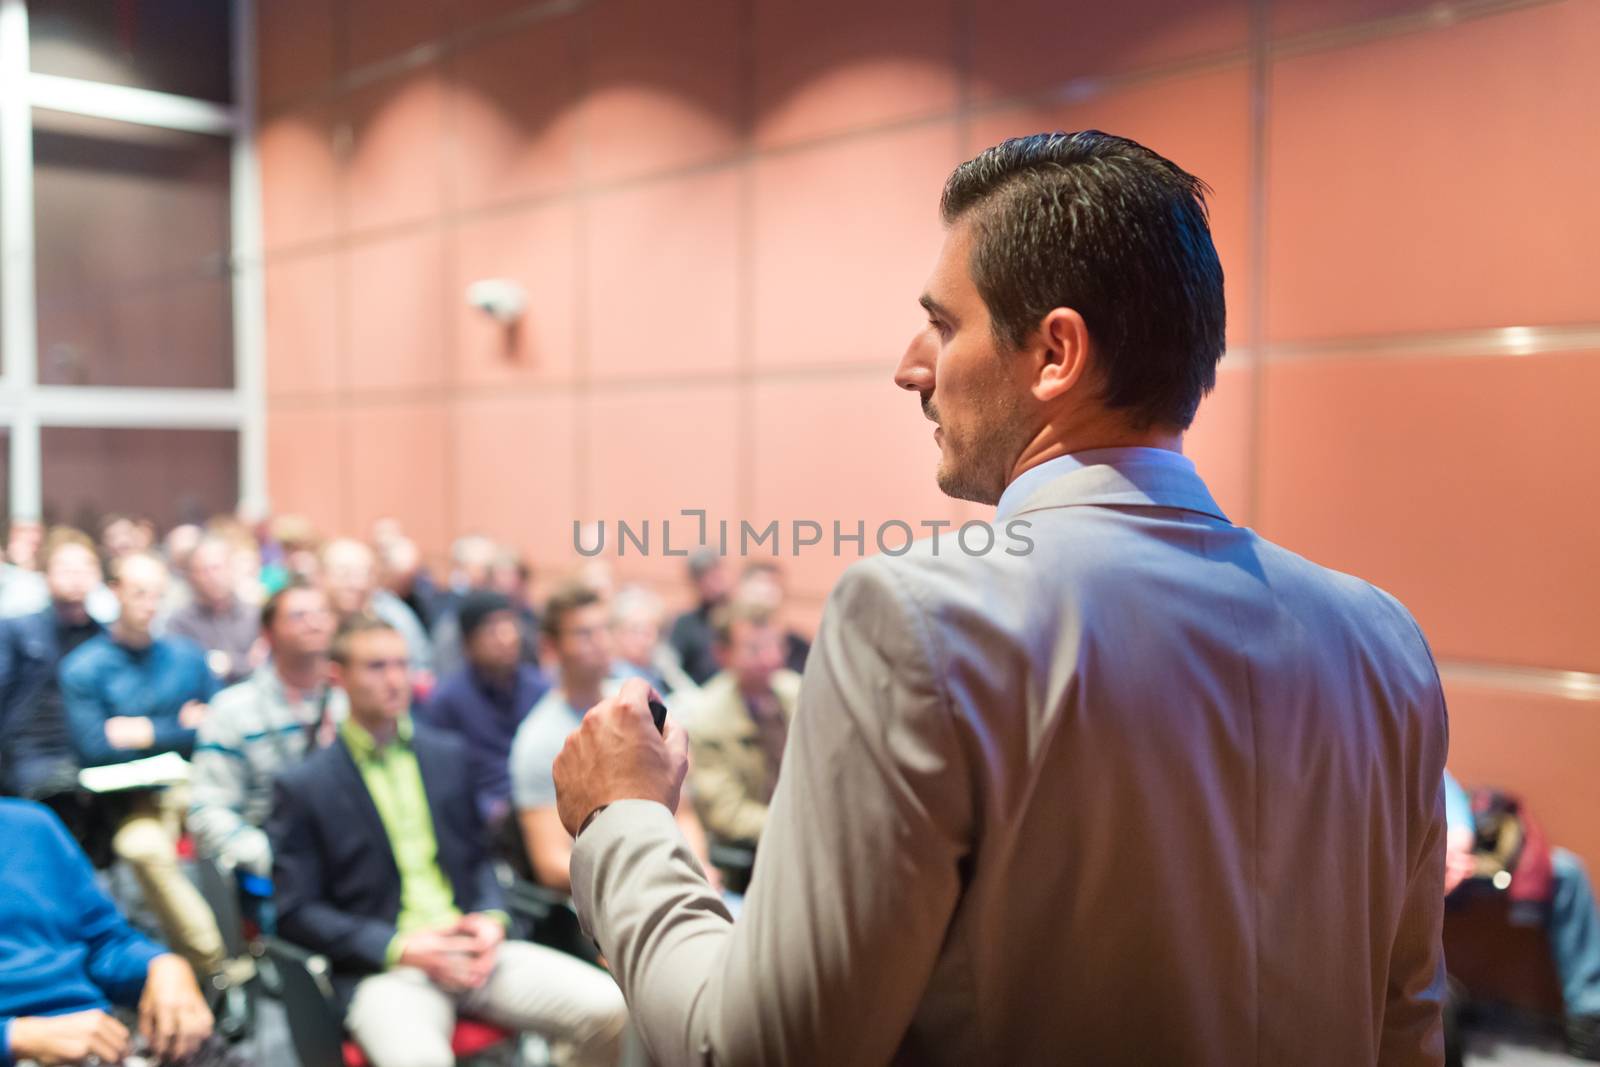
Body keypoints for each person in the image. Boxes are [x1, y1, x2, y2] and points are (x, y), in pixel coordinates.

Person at [552, 131, 1450, 1065]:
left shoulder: (917, 620)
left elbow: (752, 1052)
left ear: (1056, 351)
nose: (912, 367)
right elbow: (1407, 1028)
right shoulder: (1386, 641)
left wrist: (623, 820)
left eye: (942, 324)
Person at [268, 614, 627, 1067]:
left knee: (614, 1010)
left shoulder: (446, 755)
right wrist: (402, 947)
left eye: (402, 664)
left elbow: (480, 861)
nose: (395, 679)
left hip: (474, 948)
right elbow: (296, 912)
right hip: (389, 969)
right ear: (337, 676)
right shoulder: (305, 784)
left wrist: (492, 918)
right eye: (376, 667)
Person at [61, 552, 228, 977]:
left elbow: (217, 728)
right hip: (136, 799)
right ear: (114, 592)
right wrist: (180, 727)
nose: (149, 603)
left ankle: (237, 954)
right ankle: (214, 964)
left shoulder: (187, 657)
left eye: (157, 594)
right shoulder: (86, 667)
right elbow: (95, 749)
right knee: (142, 848)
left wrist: (147, 733)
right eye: (139, 593)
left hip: (202, 786)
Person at [511, 583, 712, 895]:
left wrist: (698, 867)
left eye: (605, 629)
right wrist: (645, 879)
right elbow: (551, 863)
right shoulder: (538, 739)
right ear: (550, 648)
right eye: (584, 634)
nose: (601, 642)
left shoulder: (638, 704)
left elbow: (683, 812)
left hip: (672, 880)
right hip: (612, 898)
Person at [0, 797, 214, 1066]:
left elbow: (104, 944)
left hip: (99, 1043)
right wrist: (12, 1037)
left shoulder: (32, 824)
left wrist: (162, 966)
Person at [187, 579, 345, 880]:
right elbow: (208, 811)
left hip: (353, 858)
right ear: (268, 634)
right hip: (277, 861)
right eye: (298, 616)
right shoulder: (233, 710)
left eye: (322, 613)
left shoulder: (351, 701)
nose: (313, 623)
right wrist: (272, 859)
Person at [1443, 771, 1600, 1059]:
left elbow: (1450, 798)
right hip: (1413, 864)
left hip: (1463, 857)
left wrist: (1456, 846)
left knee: (1568, 871)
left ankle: (1591, 1017)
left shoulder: (1422, 744)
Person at [420, 590, 548, 829]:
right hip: (481, 819)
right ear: (468, 643)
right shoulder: (448, 700)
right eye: (492, 629)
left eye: (510, 625)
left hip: (540, 802)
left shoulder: (540, 689)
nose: (506, 637)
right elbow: (443, 777)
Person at [0, 528, 106, 805]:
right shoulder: (18, 632)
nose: (76, 577)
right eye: (66, 568)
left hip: (95, 750)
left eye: (86, 567)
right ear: (45, 575)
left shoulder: (107, 637)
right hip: (33, 752)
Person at [684, 597, 800, 849]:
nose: (770, 658)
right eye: (754, 649)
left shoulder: (797, 694)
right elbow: (727, 814)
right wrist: (801, 827)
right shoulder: (707, 718)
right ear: (722, 654)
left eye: (776, 645)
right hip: (750, 856)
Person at [321, 538, 433, 682]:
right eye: (344, 573)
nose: (355, 583)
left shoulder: (394, 617)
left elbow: (421, 671)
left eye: (363, 574)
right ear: (321, 576)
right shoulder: (311, 618)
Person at [164, 536, 262, 686]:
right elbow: (186, 674)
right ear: (191, 577)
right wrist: (246, 663)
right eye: (203, 571)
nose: (212, 577)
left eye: (217, 568)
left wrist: (229, 664)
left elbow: (265, 668)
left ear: (232, 569)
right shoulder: (179, 623)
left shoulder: (255, 616)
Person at [665, 550, 731, 686]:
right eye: (704, 577)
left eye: (716, 575)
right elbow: (671, 667)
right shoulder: (685, 624)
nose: (712, 583)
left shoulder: (741, 618)